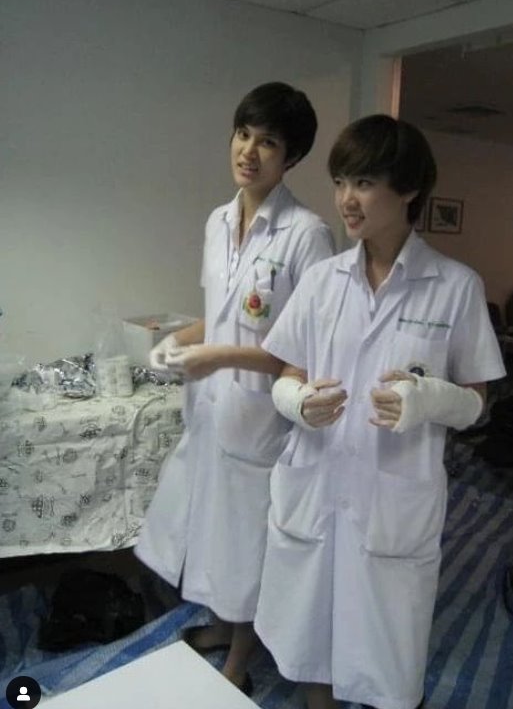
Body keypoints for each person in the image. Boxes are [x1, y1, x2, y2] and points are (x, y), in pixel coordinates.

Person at [254, 115, 505, 709]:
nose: (346, 198)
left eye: (364, 183)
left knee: (385, 645)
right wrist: (299, 402)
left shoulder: (455, 286)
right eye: (341, 181)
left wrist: (428, 399)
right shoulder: (321, 281)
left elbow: (477, 403)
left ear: (409, 189)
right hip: (317, 480)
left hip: (393, 496)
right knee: (310, 628)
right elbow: (285, 373)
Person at [134, 82, 335, 694]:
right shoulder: (218, 222)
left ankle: (239, 659)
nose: (248, 151)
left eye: (267, 142)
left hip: (262, 418)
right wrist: (176, 339)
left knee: (248, 542)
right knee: (211, 531)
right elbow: (219, 316)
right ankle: (224, 625)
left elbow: (307, 350)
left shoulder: (306, 235)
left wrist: (219, 355)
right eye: (243, 134)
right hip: (211, 409)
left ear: (291, 156)